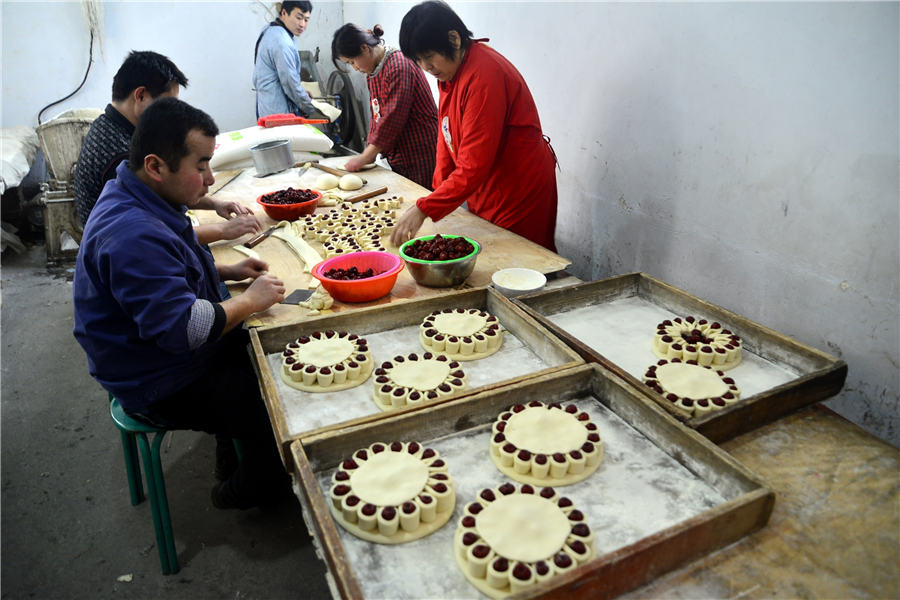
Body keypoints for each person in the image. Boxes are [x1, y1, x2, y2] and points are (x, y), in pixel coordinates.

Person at [73, 97, 289, 510]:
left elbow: (173, 254)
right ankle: (238, 492)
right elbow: (184, 329)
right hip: (154, 379)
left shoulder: (135, 194)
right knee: (279, 406)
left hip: (157, 352)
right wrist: (251, 301)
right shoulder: (131, 233)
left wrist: (228, 271)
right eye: (201, 165)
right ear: (155, 166)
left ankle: (234, 453)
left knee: (265, 359)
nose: (210, 180)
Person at [391, 1, 558, 251]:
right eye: (418, 60)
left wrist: (425, 208)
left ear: (454, 39)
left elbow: (474, 165)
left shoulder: (484, 75)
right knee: (491, 254)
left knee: (522, 263)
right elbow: (445, 133)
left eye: (428, 57)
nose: (426, 67)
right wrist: (437, 191)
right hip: (485, 185)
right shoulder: (449, 72)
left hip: (517, 188)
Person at [74, 50, 259, 244]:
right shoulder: (120, 156)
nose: (171, 114)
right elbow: (158, 235)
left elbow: (166, 190)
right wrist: (222, 230)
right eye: (167, 104)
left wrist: (215, 204)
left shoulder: (109, 126)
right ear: (141, 95)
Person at [332, 23, 438, 190]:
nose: (355, 68)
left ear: (365, 48)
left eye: (353, 61)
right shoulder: (373, 71)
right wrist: (368, 150)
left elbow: (392, 119)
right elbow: (377, 116)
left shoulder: (399, 66)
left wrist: (366, 156)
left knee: (421, 200)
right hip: (401, 154)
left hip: (420, 153)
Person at [253, 1, 325, 119]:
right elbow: (290, 85)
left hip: (267, 106)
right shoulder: (282, 42)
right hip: (278, 113)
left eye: (306, 20)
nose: (302, 24)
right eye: (298, 17)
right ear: (284, 13)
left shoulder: (270, 30)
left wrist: (302, 94)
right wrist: (312, 108)